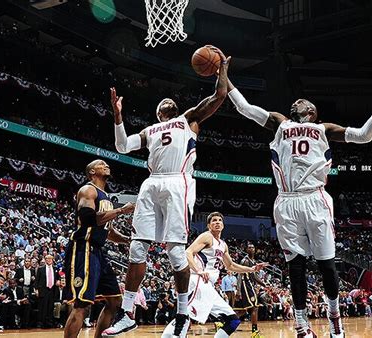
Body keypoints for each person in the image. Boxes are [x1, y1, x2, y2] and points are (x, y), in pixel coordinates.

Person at [226, 76, 372, 338]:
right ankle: (301, 325)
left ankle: (334, 320)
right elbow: (244, 108)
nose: (296, 101)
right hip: (286, 199)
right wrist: (224, 77)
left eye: (302, 101)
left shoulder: (323, 129)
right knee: (295, 266)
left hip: (315, 198)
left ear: (311, 111)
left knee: (327, 264)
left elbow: (364, 136)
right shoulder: (279, 123)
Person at [103, 46, 230, 338]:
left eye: (170, 100)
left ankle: (183, 313)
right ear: (159, 112)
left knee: (175, 252)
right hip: (152, 183)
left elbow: (219, 96)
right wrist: (118, 116)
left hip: (178, 182)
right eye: (164, 102)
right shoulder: (149, 131)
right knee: (137, 247)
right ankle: (127, 313)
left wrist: (222, 69)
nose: (168, 102)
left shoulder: (190, 119)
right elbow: (122, 147)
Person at [162, 211, 267, 338]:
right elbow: (188, 252)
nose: (217, 222)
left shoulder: (223, 245)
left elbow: (231, 266)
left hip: (209, 287)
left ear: (223, 225)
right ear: (208, 225)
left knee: (232, 320)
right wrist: (199, 270)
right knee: (184, 318)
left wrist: (252, 269)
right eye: (214, 220)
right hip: (198, 282)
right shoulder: (206, 236)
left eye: (219, 220)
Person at [63, 159, 135, 338]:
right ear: (92, 172)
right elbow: (87, 218)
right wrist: (120, 211)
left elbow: (107, 231)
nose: (106, 165)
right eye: (101, 164)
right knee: (82, 304)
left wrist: (127, 240)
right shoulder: (88, 190)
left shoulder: (107, 198)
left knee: (114, 301)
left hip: (98, 252)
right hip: (83, 248)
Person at [234, 243, 267, 338]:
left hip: (249, 285)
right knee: (254, 308)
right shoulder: (245, 260)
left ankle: (225, 324)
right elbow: (240, 274)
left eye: (253, 247)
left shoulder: (253, 261)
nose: (251, 249)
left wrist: (264, 284)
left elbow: (254, 276)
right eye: (249, 247)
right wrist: (238, 290)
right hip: (245, 285)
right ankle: (254, 331)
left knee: (244, 311)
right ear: (246, 249)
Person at [35, 254, 58, 328]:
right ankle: (41, 322)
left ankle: (49, 322)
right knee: (42, 307)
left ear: (52, 260)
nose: (49, 260)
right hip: (43, 289)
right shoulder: (41, 269)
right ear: (45, 260)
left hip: (52, 290)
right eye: (47, 259)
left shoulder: (55, 269)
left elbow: (58, 278)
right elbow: (37, 280)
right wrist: (36, 289)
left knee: (50, 307)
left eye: (50, 259)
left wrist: (58, 281)